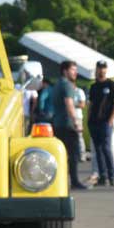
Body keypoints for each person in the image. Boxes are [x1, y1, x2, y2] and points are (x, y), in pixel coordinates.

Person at [50, 60, 85, 190]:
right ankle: (75, 181)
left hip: (58, 124)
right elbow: (69, 104)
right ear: (65, 71)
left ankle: (61, 181)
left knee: (61, 154)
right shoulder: (67, 85)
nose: (75, 72)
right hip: (67, 125)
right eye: (73, 70)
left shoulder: (57, 84)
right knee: (73, 155)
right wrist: (76, 122)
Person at [87, 60, 114, 187]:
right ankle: (103, 176)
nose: (101, 70)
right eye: (99, 68)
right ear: (96, 69)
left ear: (106, 70)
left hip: (105, 122)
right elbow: (90, 104)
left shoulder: (111, 85)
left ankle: (112, 176)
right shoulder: (94, 86)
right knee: (98, 150)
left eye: (103, 68)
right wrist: (88, 120)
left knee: (106, 149)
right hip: (94, 122)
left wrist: (111, 119)